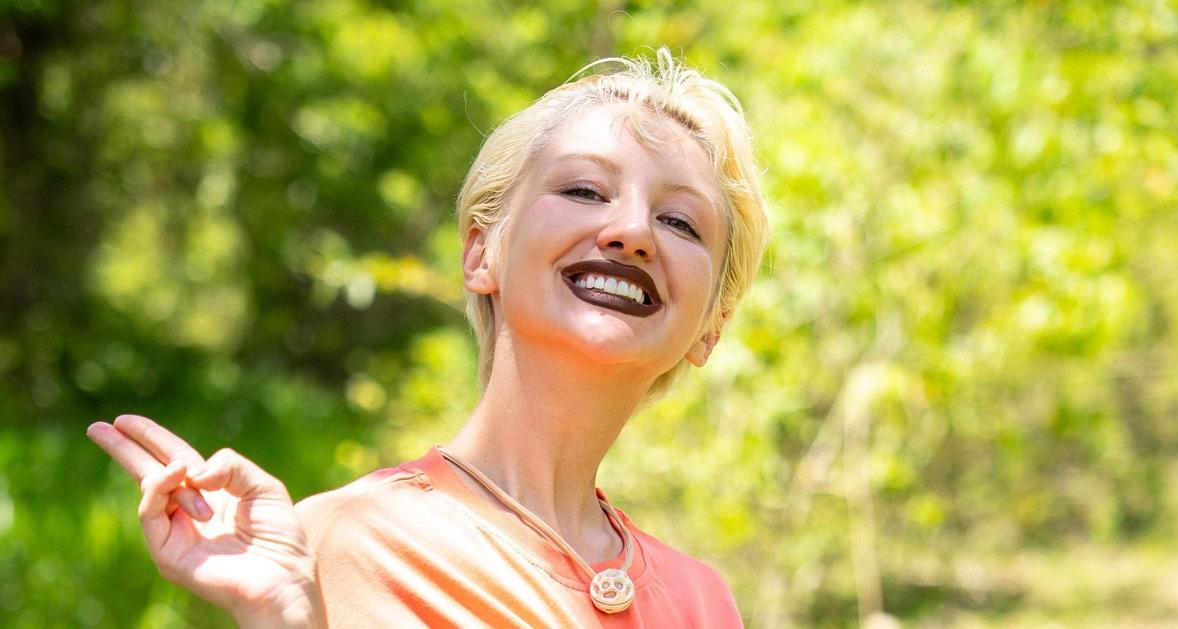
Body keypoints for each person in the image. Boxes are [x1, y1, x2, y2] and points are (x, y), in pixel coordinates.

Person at [87, 47, 769, 627]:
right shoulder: (338, 543)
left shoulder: (705, 603)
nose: (633, 231)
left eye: (681, 222)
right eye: (586, 191)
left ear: (710, 327)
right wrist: (282, 616)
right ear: (481, 253)